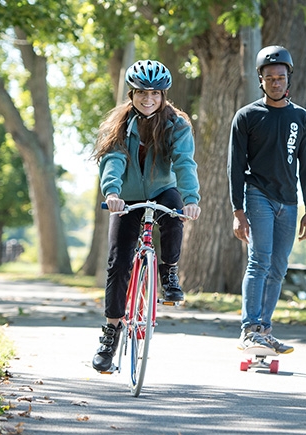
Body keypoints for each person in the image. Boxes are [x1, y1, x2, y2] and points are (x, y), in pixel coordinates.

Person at [90, 59, 201, 372]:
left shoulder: (177, 124)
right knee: (118, 262)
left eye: (155, 92)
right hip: (126, 196)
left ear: (164, 94)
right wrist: (112, 193)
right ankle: (111, 334)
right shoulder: (120, 124)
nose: (148, 98)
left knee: (174, 210)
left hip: (163, 188)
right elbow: (112, 160)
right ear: (131, 93)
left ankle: (168, 273)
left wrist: (191, 199)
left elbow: (184, 163)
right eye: (142, 92)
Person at [228, 45, 306, 354]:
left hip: (289, 202)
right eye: (270, 78)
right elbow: (235, 166)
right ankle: (249, 328)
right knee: (260, 260)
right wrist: (237, 211)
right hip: (258, 195)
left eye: (281, 77)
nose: (276, 82)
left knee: (279, 267)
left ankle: (264, 330)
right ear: (261, 80)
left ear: (288, 78)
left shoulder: (302, 119)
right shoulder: (247, 117)